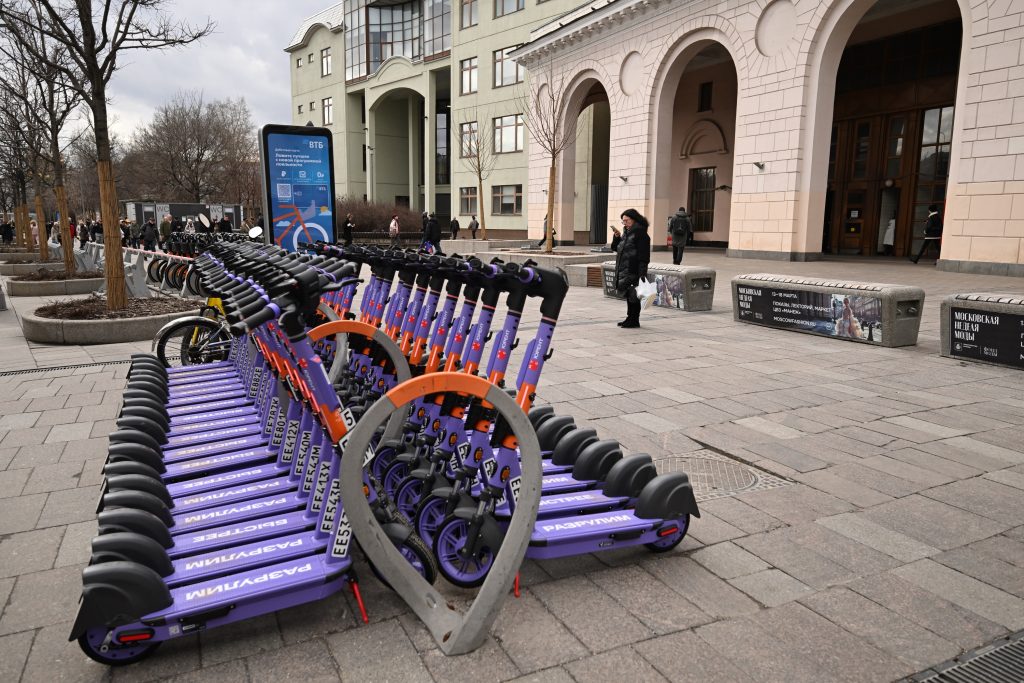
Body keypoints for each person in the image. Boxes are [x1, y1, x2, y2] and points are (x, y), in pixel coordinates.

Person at [614, 208, 651, 329]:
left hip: (633, 269)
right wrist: (616, 237)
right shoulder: (627, 233)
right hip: (625, 269)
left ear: (634, 219)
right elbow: (616, 248)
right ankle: (630, 318)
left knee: (634, 295)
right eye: (623, 221)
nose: (624, 223)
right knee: (629, 294)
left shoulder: (641, 234)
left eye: (627, 220)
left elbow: (644, 256)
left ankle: (634, 320)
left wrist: (642, 274)